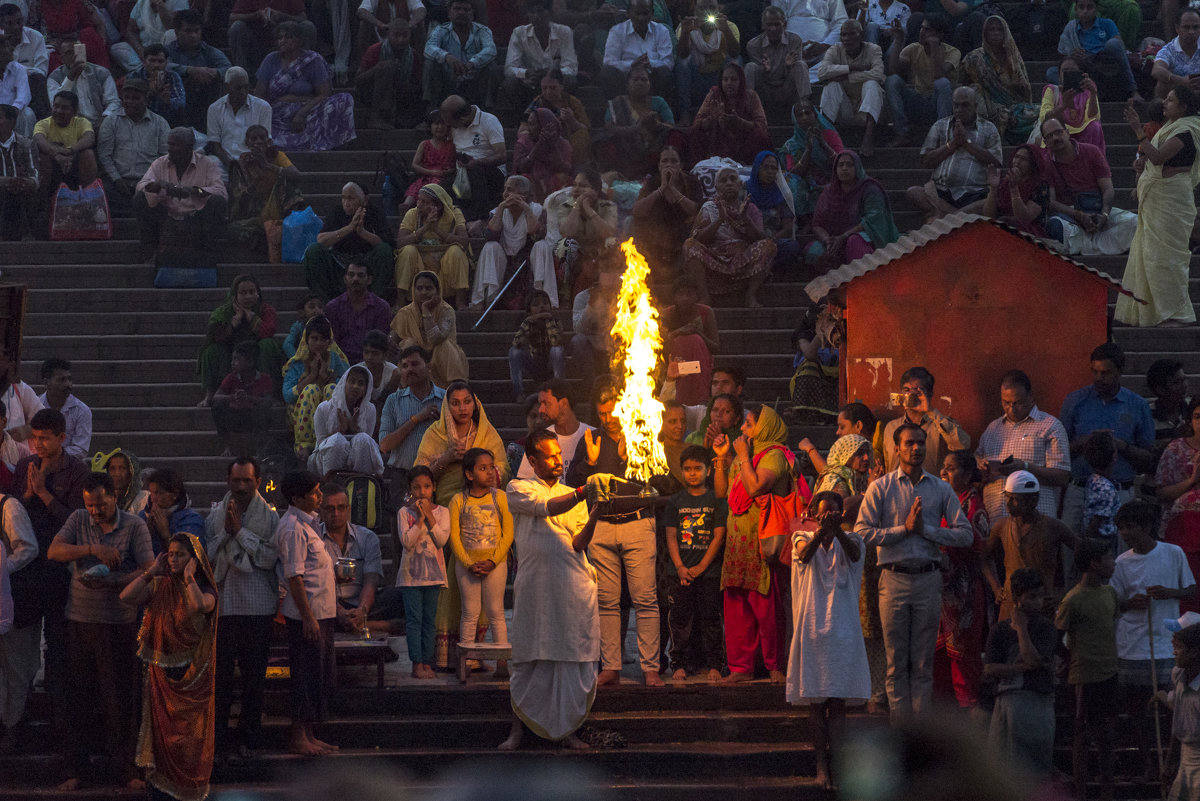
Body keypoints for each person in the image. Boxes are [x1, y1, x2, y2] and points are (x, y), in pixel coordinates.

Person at [854, 422, 973, 722]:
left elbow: (965, 535)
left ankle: (919, 738)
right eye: (909, 443)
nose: (916, 448)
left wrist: (928, 531)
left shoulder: (941, 488)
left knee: (922, 663)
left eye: (921, 443)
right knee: (896, 663)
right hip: (893, 578)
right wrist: (902, 530)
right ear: (897, 448)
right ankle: (901, 734)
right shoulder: (880, 487)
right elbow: (862, 533)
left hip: (928, 578)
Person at [46, 470, 154, 792]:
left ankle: (127, 769)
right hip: (79, 620)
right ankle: (77, 768)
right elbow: (54, 551)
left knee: (120, 699)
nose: (95, 511)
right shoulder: (79, 520)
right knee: (78, 699)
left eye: (101, 505)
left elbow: (150, 569)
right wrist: (93, 550)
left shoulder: (135, 526)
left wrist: (118, 580)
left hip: (119, 622)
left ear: (115, 497)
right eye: (90, 505)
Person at [499, 429, 601, 750]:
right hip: (535, 589)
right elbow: (549, 508)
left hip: (573, 587)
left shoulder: (574, 494)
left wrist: (598, 508)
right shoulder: (518, 488)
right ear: (532, 460)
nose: (559, 460)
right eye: (550, 456)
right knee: (529, 658)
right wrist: (586, 490)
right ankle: (517, 732)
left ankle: (567, 732)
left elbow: (579, 542)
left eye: (559, 454)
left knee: (569, 658)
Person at [565, 380, 665, 688]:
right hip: (602, 525)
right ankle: (611, 666)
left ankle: (651, 668)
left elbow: (657, 480)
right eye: (602, 413)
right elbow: (574, 484)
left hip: (637, 522)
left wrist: (628, 457)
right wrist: (590, 462)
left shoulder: (642, 432)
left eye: (612, 412)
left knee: (645, 598)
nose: (608, 419)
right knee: (607, 601)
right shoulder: (591, 438)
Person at [414, 380, 510, 668]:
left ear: (475, 403)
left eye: (466, 401)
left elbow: (502, 469)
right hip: (443, 514)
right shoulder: (435, 434)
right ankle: (447, 656)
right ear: (447, 405)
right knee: (446, 586)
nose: (461, 408)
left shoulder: (487, 434)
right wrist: (446, 459)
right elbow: (419, 474)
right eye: (454, 403)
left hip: (484, 524)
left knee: (488, 603)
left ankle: (479, 657)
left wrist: (486, 472)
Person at [120, 532, 217, 801]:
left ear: (194, 560)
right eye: (171, 554)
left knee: (187, 745)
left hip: (190, 678)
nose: (173, 559)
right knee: (159, 742)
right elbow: (126, 597)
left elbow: (198, 606)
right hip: (159, 676)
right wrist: (151, 571)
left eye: (180, 555)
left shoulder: (205, 589)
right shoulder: (159, 585)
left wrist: (188, 577)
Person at [12, 408, 88, 742]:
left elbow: (77, 521)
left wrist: (43, 493)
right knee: (21, 648)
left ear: (62, 437)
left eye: (45, 438)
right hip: (27, 569)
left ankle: (63, 724)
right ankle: (16, 717)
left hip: (60, 568)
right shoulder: (24, 467)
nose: (39, 445)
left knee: (59, 646)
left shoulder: (78, 471)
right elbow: (14, 512)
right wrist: (28, 495)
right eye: (35, 438)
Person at [1110, 498, 1197, 782]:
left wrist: (1170, 592)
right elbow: (1114, 603)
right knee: (1138, 712)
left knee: (1173, 707)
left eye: (1130, 527)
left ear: (1146, 525)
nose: (1125, 533)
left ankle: (1170, 762)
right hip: (1132, 644)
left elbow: (1191, 589)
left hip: (1166, 643)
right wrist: (1128, 603)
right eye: (1121, 528)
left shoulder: (1173, 552)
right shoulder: (1121, 562)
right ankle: (1149, 761)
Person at [788, 490, 869, 790]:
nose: (830, 516)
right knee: (815, 702)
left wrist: (836, 530)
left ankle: (838, 766)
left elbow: (856, 554)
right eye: (824, 512)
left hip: (843, 630)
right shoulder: (800, 536)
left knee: (838, 703)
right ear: (812, 513)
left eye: (835, 511)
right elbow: (804, 554)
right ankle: (821, 766)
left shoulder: (854, 539)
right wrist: (822, 528)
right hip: (811, 629)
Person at [711, 404, 794, 684]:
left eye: (748, 424)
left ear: (764, 427)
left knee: (767, 608)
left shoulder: (774, 456)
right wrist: (723, 459)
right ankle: (740, 668)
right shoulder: (744, 456)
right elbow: (723, 492)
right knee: (736, 607)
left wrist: (743, 456)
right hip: (737, 545)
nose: (743, 429)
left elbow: (757, 486)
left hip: (762, 543)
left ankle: (774, 666)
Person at [205, 457, 279, 761]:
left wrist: (239, 533)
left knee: (254, 679)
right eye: (236, 481)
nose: (240, 486)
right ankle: (218, 740)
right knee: (220, 680)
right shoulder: (213, 516)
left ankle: (250, 738)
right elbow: (206, 558)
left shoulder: (271, 517)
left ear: (257, 482)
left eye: (247, 481)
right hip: (224, 606)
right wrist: (228, 531)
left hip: (258, 606)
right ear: (228, 481)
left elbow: (269, 559)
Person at [1116, 86, 1200, 328]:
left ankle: (1173, 310)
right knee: (1150, 254)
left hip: (1172, 199)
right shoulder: (1170, 127)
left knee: (1167, 258)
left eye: (1171, 100)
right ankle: (1151, 311)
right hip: (1159, 198)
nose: (1165, 102)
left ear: (1184, 106)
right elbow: (1154, 163)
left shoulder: (1187, 130)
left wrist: (1136, 129)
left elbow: (1158, 157)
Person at [1060, 343, 1156, 536]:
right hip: (1080, 490)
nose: (1099, 378)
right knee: (1071, 547)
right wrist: (1087, 442)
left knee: (1121, 554)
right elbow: (1058, 451)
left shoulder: (1137, 405)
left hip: (1121, 490)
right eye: (1094, 372)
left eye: (1105, 373)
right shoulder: (1075, 401)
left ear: (1120, 371)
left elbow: (1149, 458)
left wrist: (1121, 446)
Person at [273, 471, 337, 757]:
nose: (319, 496)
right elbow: (295, 577)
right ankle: (298, 735)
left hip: (320, 613)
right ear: (297, 499)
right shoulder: (292, 528)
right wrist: (309, 617)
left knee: (315, 677)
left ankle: (310, 734)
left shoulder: (309, 524)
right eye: (314, 492)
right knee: (303, 676)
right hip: (305, 617)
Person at [1055, 537, 1118, 797]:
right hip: (1083, 675)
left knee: (1107, 736)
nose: (1113, 564)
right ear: (1094, 564)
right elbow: (1057, 636)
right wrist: (1070, 660)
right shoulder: (1073, 600)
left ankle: (1107, 791)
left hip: (1109, 672)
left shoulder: (1110, 593)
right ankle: (1080, 792)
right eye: (1109, 559)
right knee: (1082, 735)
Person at [983, 567, 1058, 775]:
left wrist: (1022, 629)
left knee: (1033, 769)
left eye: (1040, 597)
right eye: (1032, 597)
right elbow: (989, 668)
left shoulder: (1046, 628)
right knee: (1004, 770)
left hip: (1036, 701)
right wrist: (1020, 668)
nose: (1038, 602)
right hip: (1006, 702)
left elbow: (1033, 660)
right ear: (1017, 597)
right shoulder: (999, 630)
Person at [664, 444, 727, 682]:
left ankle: (714, 664)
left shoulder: (716, 500)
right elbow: (671, 536)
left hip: (709, 573)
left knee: (710, 617)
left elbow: (718, 536)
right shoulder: (675, 501)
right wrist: (680, 567)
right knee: (680, 619)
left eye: (697, 468)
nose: (692, 473)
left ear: (708, 471)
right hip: (680, 573)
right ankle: (679, 663)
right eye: (687, 469)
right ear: (681, 471)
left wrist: (702, 566)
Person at [448, 447, 514, 677]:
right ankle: (467, 663)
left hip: (495, 564)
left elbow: (508, 534)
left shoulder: (500, 497)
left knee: (496, 611)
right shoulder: (458, 500)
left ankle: (502, 664)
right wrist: (468, 563)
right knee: (470, 612)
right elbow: (454, 537)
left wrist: (494, 561)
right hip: (468, 566)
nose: (489, 473)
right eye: (482, 468)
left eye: (491, 467)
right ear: (469, 474)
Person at [975, 368, 1071, 523]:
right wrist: (983, 469)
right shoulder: (992, 429)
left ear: (1031, 397)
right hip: (996, 521)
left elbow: (1062, 477)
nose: (1011, 409)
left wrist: (1025, 467)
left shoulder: (1050, 426)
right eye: (1006, 403)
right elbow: (975, 472)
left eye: (1018, 403)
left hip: (1037, 522)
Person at [983, 470, 1078, 620]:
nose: (1008, 504)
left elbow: (1083, 552)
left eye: (1015, 499)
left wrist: (1065, 592)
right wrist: (996, 588)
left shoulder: (1053, 526)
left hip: (1042, 608)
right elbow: (984, 558)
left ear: (1033, 501)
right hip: (1010, 607)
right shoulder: (1001, 526)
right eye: (1007, 497)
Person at [1040, 117, 1138, 256]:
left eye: (1058, 132)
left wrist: (1104, 214)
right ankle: (1102, 246)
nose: (1056, 138)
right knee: (1054, 226)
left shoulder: (1091, 152)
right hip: (1070, 215)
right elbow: (1052, 202)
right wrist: (1079, 215)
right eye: (1050, 136)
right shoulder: (1046, 163)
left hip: (1097, 210)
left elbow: (1108, 189)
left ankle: (1087, 247)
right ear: (1045, 142)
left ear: (1067, 133)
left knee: (1136, 223)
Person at [682, 167, 776, 308]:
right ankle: (704, 296)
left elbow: (760, 239)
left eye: (733, 179)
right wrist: (719, 219)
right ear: (717, 187)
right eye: (723, 180)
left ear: (739, 184)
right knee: (689, 245)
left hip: (742, 261)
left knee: (769, 246)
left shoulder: (750, 208)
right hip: (714, 261)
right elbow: (698, 239)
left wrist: (745, 219)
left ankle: (750, 295)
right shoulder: (709, 207)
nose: (729, 183)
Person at [254, 21, 355, 152]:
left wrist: (302, 113)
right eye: (280, 38)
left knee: (344, 99)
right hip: (277, 115)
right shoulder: (271, 59)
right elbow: (259, 94)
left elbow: (324, 94)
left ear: (300, 40)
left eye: (288, 37)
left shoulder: (313, 60)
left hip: (308, 112)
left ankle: (335, 145)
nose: (283, 41)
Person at [905, 86, 1002, 221]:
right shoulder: (940, 126)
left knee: (992, 203)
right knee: (913, 192)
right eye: (956, 105)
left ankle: (946, 217)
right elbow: (926, 161)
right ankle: (961, 217)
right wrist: (953, 144)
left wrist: (967, 144)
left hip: (975, 193)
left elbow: (995, 161)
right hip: (941, 191)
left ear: (975, 106)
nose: (959, 110)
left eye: (964, 105)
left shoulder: (989, 128)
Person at [133, 125, 227, 263]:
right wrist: (159, 185)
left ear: (189, 147)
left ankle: (207, 252)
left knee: (217, 202)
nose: (170, 149)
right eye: (169, 144)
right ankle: (150, 250)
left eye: (175, 145)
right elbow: (141, 186)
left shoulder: (207, 164)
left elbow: (221, 192)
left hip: (196, 219)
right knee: (140, 198)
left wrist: (194, 191)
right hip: (165, 218)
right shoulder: (160, 163)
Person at [319, 481, 402, 633]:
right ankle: (374, 626)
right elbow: (316, 585)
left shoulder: (367, 537)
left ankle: (358, 622)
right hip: (328, 604)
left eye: (341, 507)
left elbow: (371, 578)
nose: (336, 513)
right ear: (321, 511)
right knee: (312, 605)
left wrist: (362, 610)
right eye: (329, 508)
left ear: (349, 509)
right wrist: (338, 611)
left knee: (398, 596)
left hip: (362, 602)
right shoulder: (314, 538)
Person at [197, 274, 284, 408]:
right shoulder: (223, 312)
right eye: (243, 293)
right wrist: (235, 320)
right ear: (234, 295)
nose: (248, 296)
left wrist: (252, 318)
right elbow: (216, 336)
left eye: (252, 292)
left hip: (256, 351)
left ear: (258, 294)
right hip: (230, 352)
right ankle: (211, 394)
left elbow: (269, 331)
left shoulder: (265, 310)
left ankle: (270, 395)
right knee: (210, 350)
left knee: (268, 345)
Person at [395, 466, 450, 678]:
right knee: (414, 621)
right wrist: (419, 519)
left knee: (429, 621)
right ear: (410, 489)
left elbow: (442, 540)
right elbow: (408, 542)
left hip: (434, 576)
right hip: (410, 578)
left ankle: (428, 662)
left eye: (426, 487)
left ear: (434, 488)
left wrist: (430, 517)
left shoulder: (443, 512)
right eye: (416, 488)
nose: (422, 492)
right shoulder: (404, 513)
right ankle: (416, 663)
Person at [472, 174, 555, 310]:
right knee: (490, 246)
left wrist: (526, 208)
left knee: (542, 246)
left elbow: (538, 235)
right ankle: (483, 301)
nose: (505, 194)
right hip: (505, 266)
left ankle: (544, 301)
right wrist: (501, 208)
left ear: (523, 194)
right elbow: (490, 235)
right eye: (505, 189)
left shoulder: (537, 210)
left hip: (527, 265)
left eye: (509, 190)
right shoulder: (498, 211)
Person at [303, 182, 395, 301]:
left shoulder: (374, 212)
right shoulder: (337, 211)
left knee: (384, 251)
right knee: (313, 251)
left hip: (366, 262)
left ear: (364, 200)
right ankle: (324, 302)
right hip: (339, 262)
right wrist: (350, 227)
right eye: (343, 198)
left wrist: (362, 232)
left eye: (351, 198)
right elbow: (321, 240)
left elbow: (385, 243)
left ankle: (374, 301)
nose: (346, 203)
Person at [807, 149, 898, 268]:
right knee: (812, 250)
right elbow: (817, 224)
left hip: (867, 239)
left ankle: (863, 279)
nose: (844, 168)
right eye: (840, 165)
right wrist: (827, 241)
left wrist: (844, 237)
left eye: (849, 165)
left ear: (857, 168)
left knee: (854, 241)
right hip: (835, 241)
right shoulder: (829, 191)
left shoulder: (870, 189)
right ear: (835, 169)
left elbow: (872, 220)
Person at [0, 462, 38, 746]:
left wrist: (2, 568)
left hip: (17, 600)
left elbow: (28, 548)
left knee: (16, 665)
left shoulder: (8, 507)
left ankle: (13, 727)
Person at [225, 123, 304, 257]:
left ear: (269, 141)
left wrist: (267, 166)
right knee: (232, 230)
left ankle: (289, 227)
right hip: (256, 216)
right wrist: (256, 176)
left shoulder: (278, 156)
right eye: (254, 139)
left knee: (287, 179)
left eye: (262, 138)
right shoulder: (241, 164)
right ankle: (269, 241)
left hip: (280, 211)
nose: (258, 142)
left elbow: (296, 175)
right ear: (247, 143)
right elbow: (240, 199)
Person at [884, 15, 959, 147]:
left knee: (942, 83)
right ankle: (901, 134)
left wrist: (934, 47)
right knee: (892, 80)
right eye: (921, 28)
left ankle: (943, 136)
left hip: (940, 105)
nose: (921, 32)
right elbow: (893, 70)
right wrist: (899, 40)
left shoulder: (953, 52)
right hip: (918, 101)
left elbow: (939, 75)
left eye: (927, 29)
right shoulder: (914, 48)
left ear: (939, 35)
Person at [282, 315, 349, 460]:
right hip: (300, 412)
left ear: (329, 341)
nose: (318, 343)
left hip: (328, 408)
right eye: (314, 338)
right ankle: (304, 445)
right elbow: (287, 395)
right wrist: (311, 376)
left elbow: (349, 384)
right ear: (307, 340)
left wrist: (326, 377)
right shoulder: (298, 363)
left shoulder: (335, 359)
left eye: (323, 339)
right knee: (310, 390)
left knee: (332, 388)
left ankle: (330, 439)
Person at [961, 15, 1036, 145]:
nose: (996, 33)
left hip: (1014, 108)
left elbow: (1026, 94)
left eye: (999, 30)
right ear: (985, 33)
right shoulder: (974, 58)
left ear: (1005, 32)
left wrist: (1015, 86)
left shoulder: (1013, 58)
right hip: (986, 106)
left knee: (1041, 115)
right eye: (992, 29)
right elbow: (965, 86)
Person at [593, 63, 677, 179]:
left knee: (675, 136)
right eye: (635, 79)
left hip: (654, 151)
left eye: (644, 80)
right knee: (605, 141)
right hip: (624, 155)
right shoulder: (618, 102)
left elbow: (671, 126)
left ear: (650, 84)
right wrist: (636, 128)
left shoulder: (659, 102)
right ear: (627, 85)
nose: (640, 83)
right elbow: (608, 127)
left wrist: (657, 125)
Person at [631, 146, 702, 282]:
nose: (669, 164)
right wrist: (662, 188)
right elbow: (637, 211)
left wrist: (673, 189)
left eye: (674, 161)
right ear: (659, 166)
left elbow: (696, 211)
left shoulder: (691, 182)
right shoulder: (653, 183)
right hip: (656, 233)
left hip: (684, 233)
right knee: (631, 223)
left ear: (680, 165)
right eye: (665, 161)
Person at [546, 167, 619, 300]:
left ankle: (611, 294)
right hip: (577, 257)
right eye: (575, 185)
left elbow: (608, 232)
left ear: (596, 190)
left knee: (612, 243)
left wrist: (588, 209)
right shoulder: (566, 206)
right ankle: (565, 293)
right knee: (565, 245)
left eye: (583, 186)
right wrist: (578, 206)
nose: (576, 189)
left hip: (600, 256)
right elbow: (567, 232)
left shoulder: (608, 206)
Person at [882, 366, 971, 473]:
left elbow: (963, 445)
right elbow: (889, 467)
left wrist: (931, 411)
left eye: (918, 391)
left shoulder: (940, 425)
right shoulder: (891, 427)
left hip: (931, 488)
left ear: (929, 394)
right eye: (906, 390)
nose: (911, 395)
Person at [394, 185, 471, 309]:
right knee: (407, 251)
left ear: (438, 206)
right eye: (418, 200)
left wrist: (436, 229)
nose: (419, 204)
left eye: (424, 202)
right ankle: (400, 301)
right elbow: (400, 243)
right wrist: (425, 228)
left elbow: (464, 242)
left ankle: (460, 302)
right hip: (419, 275)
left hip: (444, 275)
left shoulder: (454, 213)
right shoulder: (412, 214)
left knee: (457, 251)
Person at [390, 271, 469, 387]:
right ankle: (405, 388)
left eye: (428, 288)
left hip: (441, 359)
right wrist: (390, 340)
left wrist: (425, 310)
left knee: (444, 345)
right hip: (417, 358)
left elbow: (435, 339)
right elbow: (393, 336)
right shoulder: (406, 312)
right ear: (414, 290)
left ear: (437, 291)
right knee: (409, 343)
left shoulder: (446, 311)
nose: (424, 292)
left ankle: (457, 388)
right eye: (419, 288)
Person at [817, 19, 884, 157]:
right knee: (831, 86)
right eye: (844, 35)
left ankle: (868, 137)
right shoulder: (835, 49)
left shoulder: (873, 49)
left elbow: (878, 74)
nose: (847, 39)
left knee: (871, 84)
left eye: (852, 34)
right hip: (845, 109)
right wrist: (851, 67)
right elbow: (822, 73)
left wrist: (847, 76)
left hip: (867, 111)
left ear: (862, 35)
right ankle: (827, 136)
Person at [688, 62, 771, 165]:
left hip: (744, 145)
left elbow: (762, 124)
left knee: (760, 136)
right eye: (725, 79)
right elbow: (697, 122)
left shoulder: (751, 96)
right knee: (694, 132)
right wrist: (712, 119)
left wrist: (740, 122)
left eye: (733, 79)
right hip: (718, 145)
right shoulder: (714, 95)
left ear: (741, 81)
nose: (729, 83)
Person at [1054, 0, 1137, 104]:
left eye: (1089, 7)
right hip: (1083, 68)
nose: (1085, 11)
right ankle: (1074, 100)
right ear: (1076, 9)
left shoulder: (1107, 24)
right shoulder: (1071, 28)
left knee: (1113, 43)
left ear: (1096, 9)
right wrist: (1073, 56)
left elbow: (1119, 46)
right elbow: (1063, 57)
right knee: (1051, 73)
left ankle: (1133, 90)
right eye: (1081, 7)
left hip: (1103, 65)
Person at [440, 94, 507, 222]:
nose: (447, 124)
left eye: (450, 121)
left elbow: (502, 156)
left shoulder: (488, 121)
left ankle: (479, 218)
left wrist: (477, 162)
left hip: (489, 171)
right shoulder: (453, 127)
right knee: (442, 186)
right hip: (462, 170)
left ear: (462, 117)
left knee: (473, 172)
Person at [1158, 399, 1200, 602]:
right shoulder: (1175, 450)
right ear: (1190, 420)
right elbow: (1163, 493)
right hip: (1182, 528)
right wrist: (1192, 481)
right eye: (1197, 416)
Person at [379, 345, 445, 472]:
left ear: (429, 367)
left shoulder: (446, 399)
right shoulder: (393, 401)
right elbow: (385, 445)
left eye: (415, 364)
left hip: (439, 475)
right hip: (402, 475)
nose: (409, 369)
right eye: (405, 366)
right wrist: (416, 419)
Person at [501, 0, 577, 111]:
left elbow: (571, 68)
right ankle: (524, 116)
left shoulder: (564, 32)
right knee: (510, 83)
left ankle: (560, 113)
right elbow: (509, 68)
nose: (536, 16)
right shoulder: (519, 32)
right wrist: (526, 73)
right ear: (527, 15)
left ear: (550, 13)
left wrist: (549, 74)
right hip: (530, 83)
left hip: (554, 82)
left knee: (570, 80)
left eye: (540, 11)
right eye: (532, 12)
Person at [308, 365, 384, 476]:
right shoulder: (323, 408)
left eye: (361, 383)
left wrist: (354, 430)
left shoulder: (370, 410)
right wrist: (340, 431)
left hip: (358, 457)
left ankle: (360, 484)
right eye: (352, 381)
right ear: (344, 383)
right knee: (336, 441)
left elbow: (366, 444)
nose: (355, 386)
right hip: (327, 458)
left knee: (363, 439)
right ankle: (332, 484)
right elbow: (321, 443)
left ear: (366, 389)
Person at [674, 0, 741, 123]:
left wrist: (726, 30)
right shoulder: (687, 26)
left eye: (711, 7)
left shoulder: (729, 26)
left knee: (736, 61)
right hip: (696, 80)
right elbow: (682, 55)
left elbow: (735, 53)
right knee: (682, 62)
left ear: (718, 10)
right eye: (702, 8)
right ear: (695, 11)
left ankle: (734, 110)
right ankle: (685, 113)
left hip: (720, 79)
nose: (707, 12)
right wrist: (685, 33)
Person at [31, 91, 98, 213]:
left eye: (65, 108)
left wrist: (70, 151)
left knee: (88, 154)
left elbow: (89, 138)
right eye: (56, 106)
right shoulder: (43, 123)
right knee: (42, 157)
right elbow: (39, 140)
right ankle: (42, 207)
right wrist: (57, 154)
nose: (58, 111)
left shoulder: (82, 122)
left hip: (75, 169)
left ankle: (88, 203)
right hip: (52, 171)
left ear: (75, 110)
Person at [166, 9, 231, 131]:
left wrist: (213, 73)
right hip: (175, 106)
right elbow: (164, 65)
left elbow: (228, 68)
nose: (193, 35)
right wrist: (190, 70)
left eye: (197, 31)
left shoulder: (209, 51)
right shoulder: (168, 50)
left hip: (205, 103)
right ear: (177, 32)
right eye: (188, 31)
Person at [422, 0, 497, 107]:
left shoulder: (482, 31)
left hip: (474, 84)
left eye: (466, 9)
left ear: (472, 14)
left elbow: (491, 49)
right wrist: (447, 56)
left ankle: (487, 110)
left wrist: (472, 63)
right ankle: (431, 108)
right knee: (430, 63)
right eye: (457, 9)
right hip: (447, 82)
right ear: (449, 13)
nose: (461, 12)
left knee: (491, 66)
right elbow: (428, 48)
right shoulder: (440, 30)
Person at [781, 99, 844, 224]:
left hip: (831, 178)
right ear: (795, 119)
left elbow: (842, 161)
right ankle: (807, 221)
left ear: (815, 115)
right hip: (805, 181)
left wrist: (823, 144)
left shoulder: (829, 135)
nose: (804, 117)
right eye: (800, 115)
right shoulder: (791, 145)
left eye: (807, 113)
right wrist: (808, 150)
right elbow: (793, 172)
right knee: (790, 180)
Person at [515, 379, 594, 479]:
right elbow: (524, 482)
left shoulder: (593, 436)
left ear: (564, 403)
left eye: (546, 403)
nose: (541, 409)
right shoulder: (538, 441)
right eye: (540, 404)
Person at [660, 276, 719, 407]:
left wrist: (698, 332)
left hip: (700, 364)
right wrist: (678, 332)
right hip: (675, 364)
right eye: (680, 294)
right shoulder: (668, 314)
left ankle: (699, 400)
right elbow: (659, 345)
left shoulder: (706, 312)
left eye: (689, 294)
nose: (685, 298)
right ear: (674, 297)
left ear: (696, 296)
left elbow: (716, 347)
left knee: (694, 340)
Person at [356, 20, 425, 130]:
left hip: (400, 96)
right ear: (388, 34)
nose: (401, 39)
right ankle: (375, 117)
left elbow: (418, 83)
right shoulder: (375, 49)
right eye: (396, 35)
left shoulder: (413, 55)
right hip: (372, 93)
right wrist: (378, 68)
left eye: (404, 35)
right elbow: (358, 80)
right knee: (387, 67)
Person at [1157, 622, 1200, 799]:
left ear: (1194, 652)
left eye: (1179, 648)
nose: (1174, 652)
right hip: (1185, 759)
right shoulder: (1180, 676)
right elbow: (1178, 723)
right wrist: (1169, 764)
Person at [597, 0, 673, 98]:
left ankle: (657, 107)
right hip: (626, 79)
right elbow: (609, 62)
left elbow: (668, 62)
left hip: (652, 78)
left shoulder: (662, 31)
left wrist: (650, 64)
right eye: (637, 13)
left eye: (645, 13)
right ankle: (621, 107)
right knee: (607, 72)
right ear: (628, 13)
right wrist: (632, 65)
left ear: (652, 13)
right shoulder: (617, 31)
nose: (641, 18)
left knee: (664, 73)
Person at [744, 5, 810, 118]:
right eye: (769, 25)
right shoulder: (753, 45)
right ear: (763, 26)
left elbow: (796, 73)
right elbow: (760, 76)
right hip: (765, 90)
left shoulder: (794, 40)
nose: (773, 29)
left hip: (787, 88)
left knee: (801, 65)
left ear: (784, 24)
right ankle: (747, 112)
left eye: (777, 24)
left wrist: (788, 67)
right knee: (750, 67)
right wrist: (766, 71)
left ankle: (806, 109)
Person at [324, 262, 393, 365]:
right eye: (351, 275)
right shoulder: (333, 307)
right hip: (339, 364)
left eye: (360, 275)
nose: (355, 279)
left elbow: (380, 343)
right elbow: (332, 344)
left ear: (369, 280)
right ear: (345, 279)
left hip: (372, 364)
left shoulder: (382, 307)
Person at [227, 0, 318, 78]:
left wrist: (282, 16)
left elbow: (302, 17)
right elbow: (232, 18)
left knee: (307, 26)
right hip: (255, 45)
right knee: (237, 27)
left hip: (284, 44)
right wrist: (257, 15)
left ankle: (304, 73)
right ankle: (242, 77)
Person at [205, 67, 273, 171]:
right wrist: (231, 165)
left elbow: (264, 142)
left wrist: (248, 161)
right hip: (224, 161)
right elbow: (214, 143)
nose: (243, 92)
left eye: (246, 87)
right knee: (211, 163)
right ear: (226, 87)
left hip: (254, 160)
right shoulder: (214, 108)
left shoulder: (263, 107)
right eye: (238, 88)